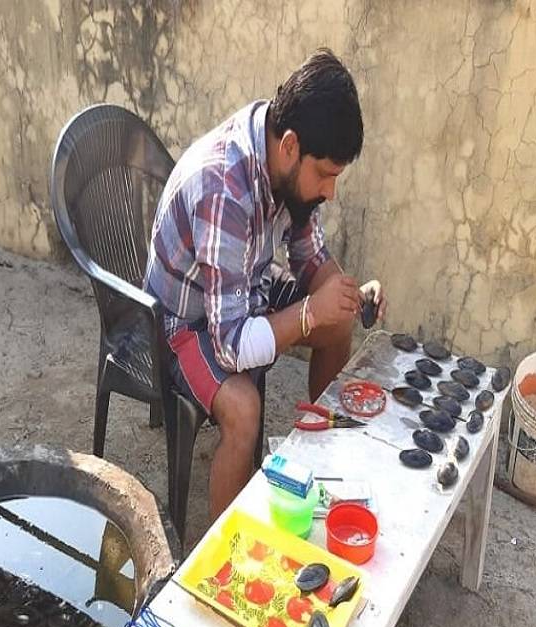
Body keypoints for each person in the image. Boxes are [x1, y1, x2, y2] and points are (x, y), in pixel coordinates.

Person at [144, 48, 386, 522]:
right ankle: (227, 557)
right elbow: (232, 346)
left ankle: (321, 466)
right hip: (181, 319)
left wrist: (346, 295)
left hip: (243, 285)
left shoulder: (282, 152)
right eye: (326, 175)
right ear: (292, 146)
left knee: (336, 324)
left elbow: (311, 257)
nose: (330, 191)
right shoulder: (223, 190)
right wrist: (307, 313)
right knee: (243, 408)